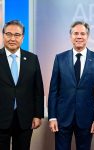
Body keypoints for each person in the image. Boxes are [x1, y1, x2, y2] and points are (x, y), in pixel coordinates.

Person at [48, 21, 94, 150]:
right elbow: (53, 90)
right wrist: (52, 116)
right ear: (70, 36)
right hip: (62, 117)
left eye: (82, 33)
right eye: (75, 33)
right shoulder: (59, 58)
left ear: (87, 36)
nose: (79, 36)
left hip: (87, 118)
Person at [0, 20, 44, 150]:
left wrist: (38, 115)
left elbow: (38, 89)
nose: (12, 38)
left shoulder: (32, 59)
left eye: (17, 35)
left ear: (23, 37)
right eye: (8, 34)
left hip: (25, 119)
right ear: (3, 35)